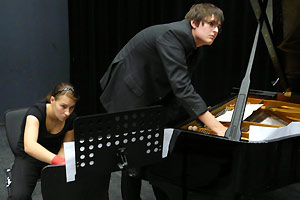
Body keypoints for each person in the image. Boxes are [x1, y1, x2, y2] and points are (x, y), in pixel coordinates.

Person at [99, 3, 227, 200]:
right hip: (127, 91)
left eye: (218, 26)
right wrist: (217, 127)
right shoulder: (172, 36)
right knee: (133, 155)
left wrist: (201, 115)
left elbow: (182, 87)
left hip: (152, 91)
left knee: (156, 151)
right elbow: (182, 88)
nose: (216, 30)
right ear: (194, 22)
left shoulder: (195, 47)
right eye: (211, 24)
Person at [8, 82, 79, 200]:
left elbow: (65, 146)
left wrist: (59, 166)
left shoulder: (71, 118)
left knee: (67, 194)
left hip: (55, 158)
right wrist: (58, 161)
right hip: (29, 159)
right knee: (18, 197)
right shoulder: (35, 113)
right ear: (52, 100)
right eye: (63, 106)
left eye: (71, 107)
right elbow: (30, 146)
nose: (67, 112)